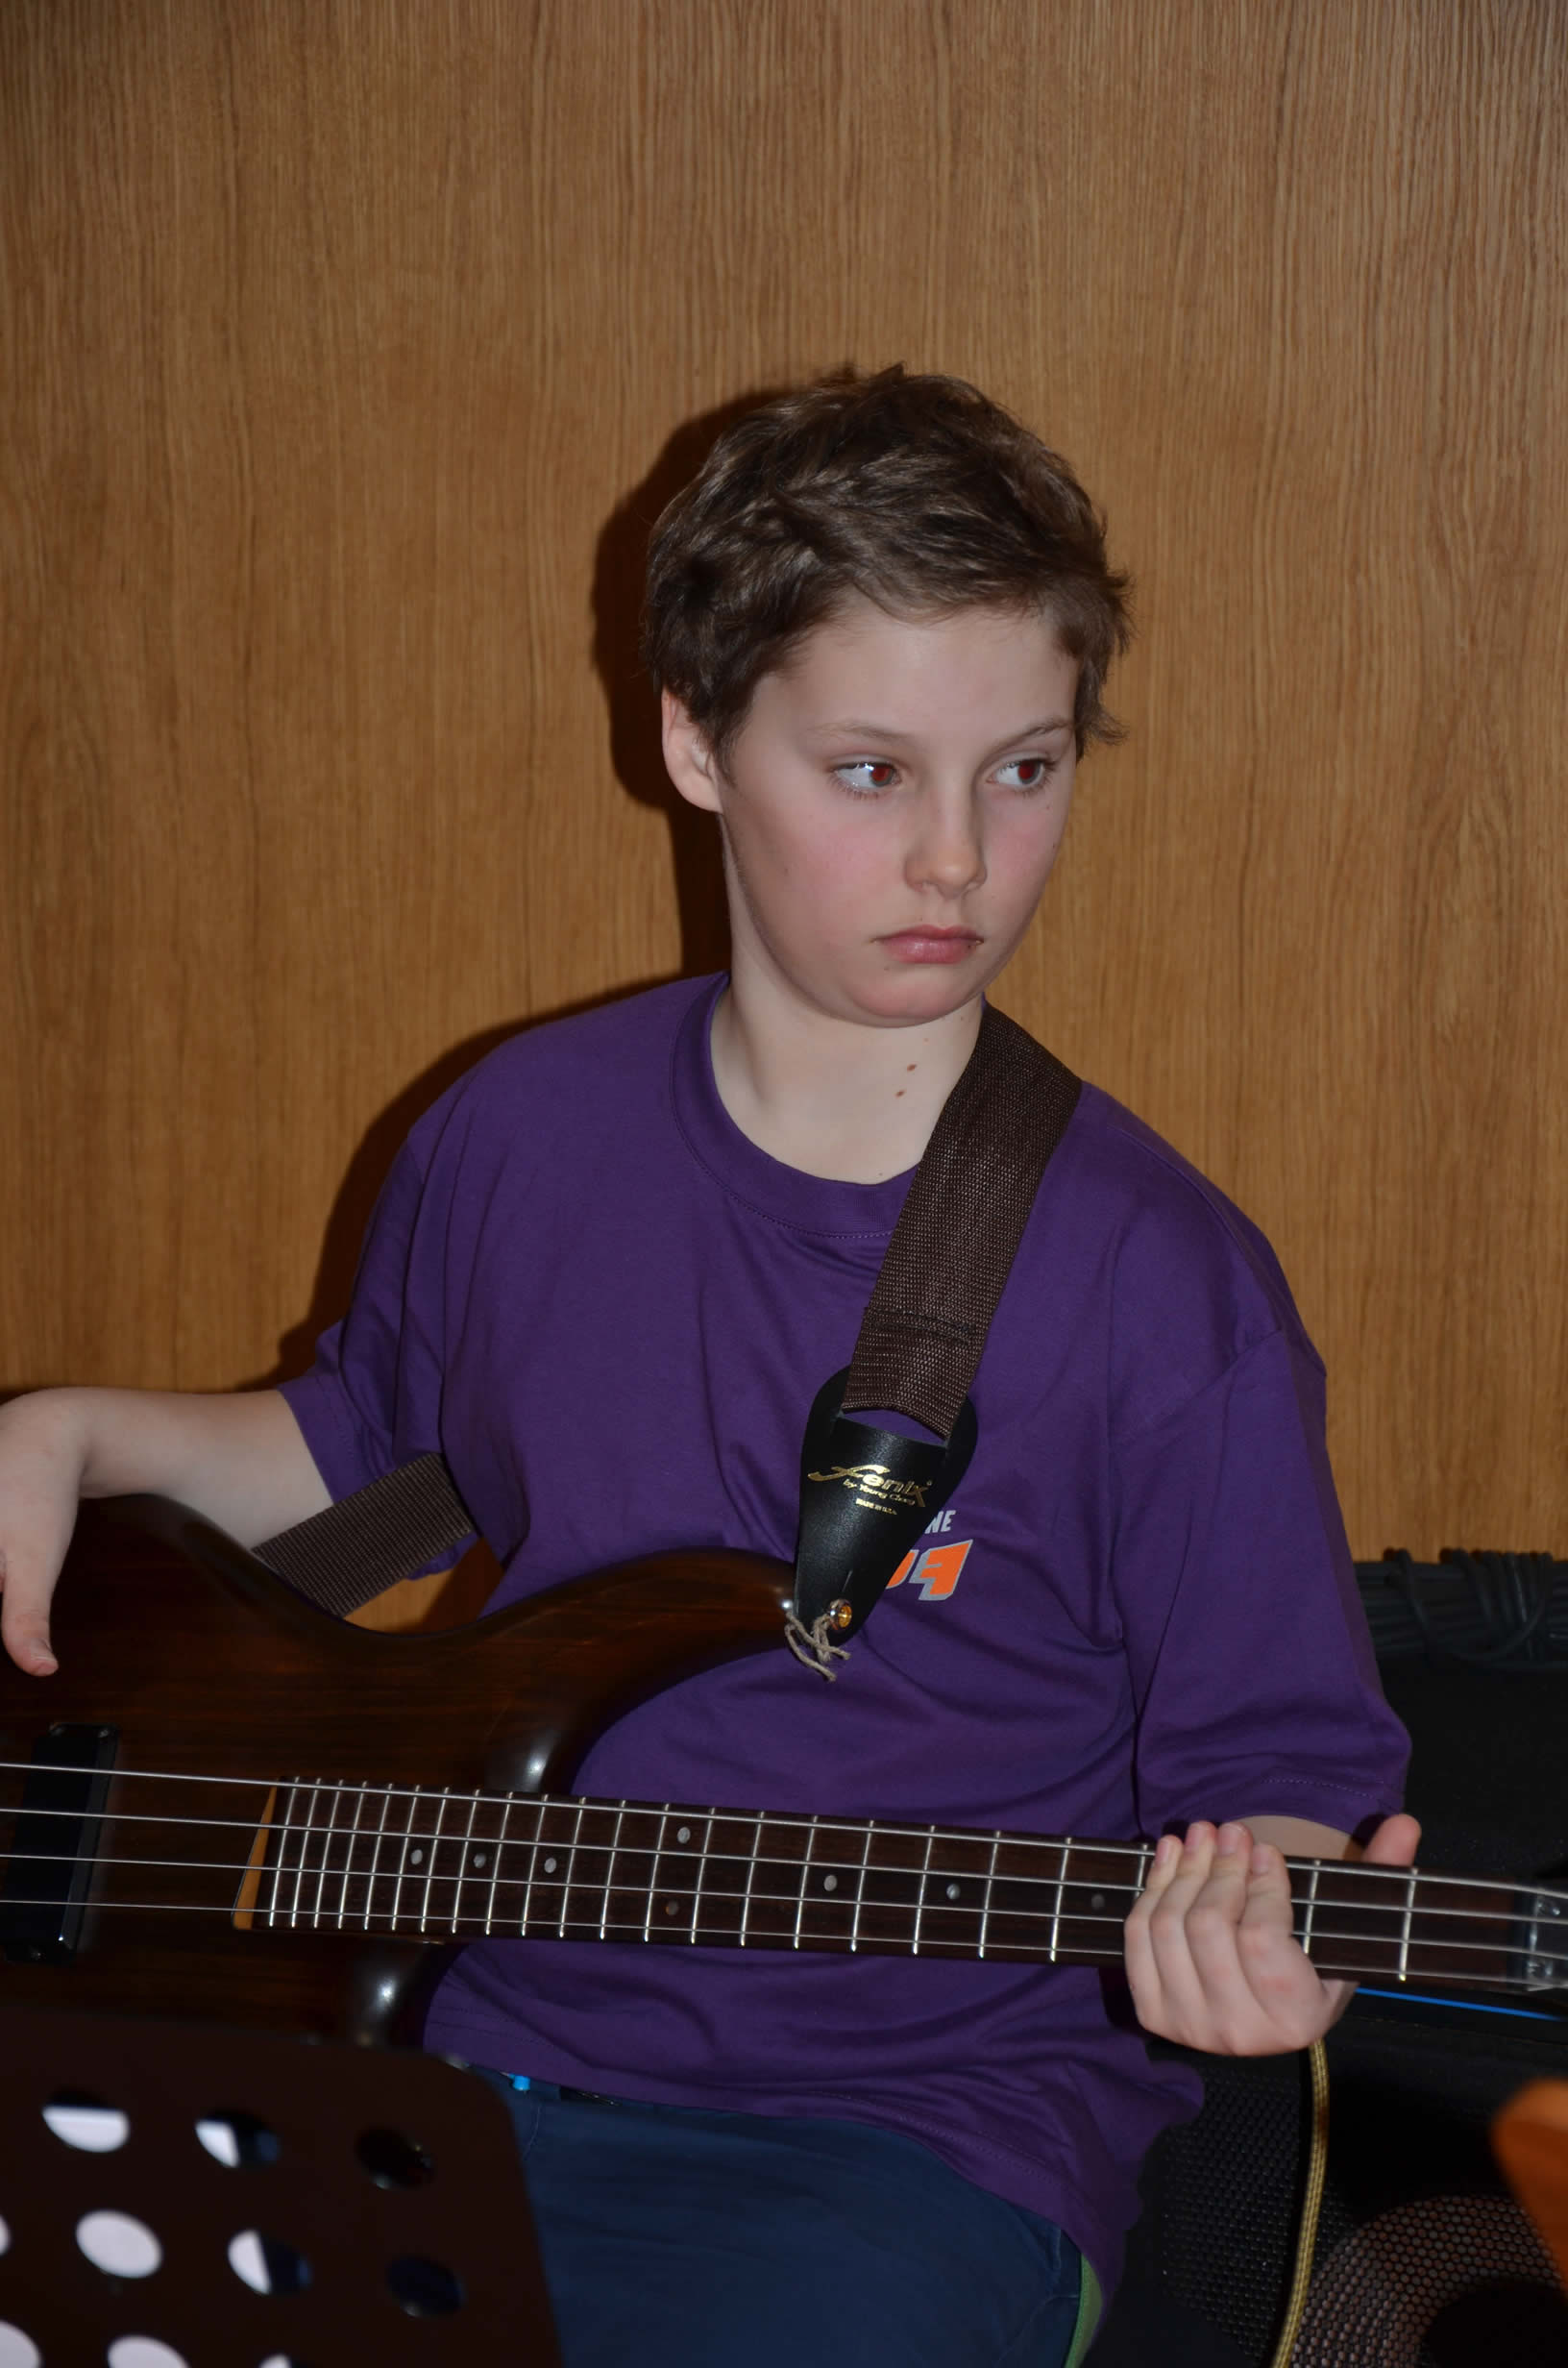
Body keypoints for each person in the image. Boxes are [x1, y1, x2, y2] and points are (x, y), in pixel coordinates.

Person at [0, 369, 1412, 2365]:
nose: (957, 859)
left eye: (1023, 770)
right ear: (692, 737)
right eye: (871, 771)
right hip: (439, 2045)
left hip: (912, 2147)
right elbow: (368, 1464)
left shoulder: (1162, 1281)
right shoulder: (519, 1134)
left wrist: (1268, 1916)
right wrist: (65, 1432)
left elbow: (1278, 1777)